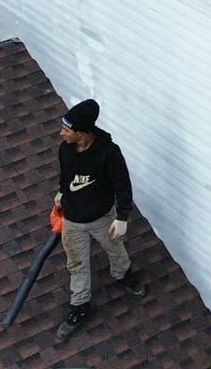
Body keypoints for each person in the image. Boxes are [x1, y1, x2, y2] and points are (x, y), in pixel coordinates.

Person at [53, 98, 144, 341]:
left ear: (82, 133)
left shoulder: (109, 154)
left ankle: (123, 274)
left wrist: (122, 217)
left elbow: (122, 186)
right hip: (73, 220)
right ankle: (80, 305)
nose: (61, 133)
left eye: (66, 130)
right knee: (76, 263)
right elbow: (66, 175)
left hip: (102, 217)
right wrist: (62, 191)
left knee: (115, 249)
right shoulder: (65, 149)